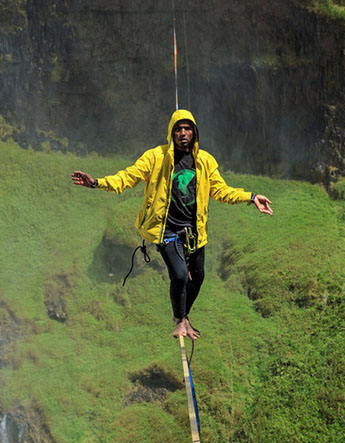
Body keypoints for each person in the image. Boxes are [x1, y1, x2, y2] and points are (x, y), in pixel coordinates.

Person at [71, 109, 274, 339]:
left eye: (187, 129)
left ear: (194, 132)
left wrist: (250, 196)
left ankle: (184, 316)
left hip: (195, 231)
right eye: (178, 129)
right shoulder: (156, 158)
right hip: (167, 229)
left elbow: (221, 190)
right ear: (171, 133)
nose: (183, 133)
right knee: (179, 275)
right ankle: (179, 320)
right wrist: (97, 182)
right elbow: (128, 177)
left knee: (198, 277)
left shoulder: (204, 161)